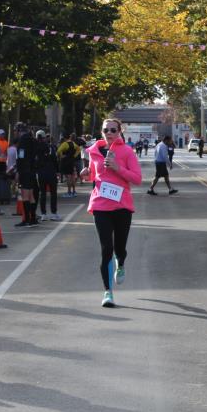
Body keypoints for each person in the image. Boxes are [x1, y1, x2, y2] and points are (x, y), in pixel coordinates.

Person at [80, 119, 141, 307]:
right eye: (106, 130)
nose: (109, 133)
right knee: (106, 248)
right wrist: (86, 174)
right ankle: (108, 292)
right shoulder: (94, 152)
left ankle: (120, 262)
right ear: (101, 131)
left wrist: (117, 167)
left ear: (119, 131)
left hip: (122, 206)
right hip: (100, 205)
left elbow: (137, 179)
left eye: (113, 130)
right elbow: (94, 175)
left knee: (119, 248)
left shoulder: (127, 151)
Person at [13, 123, 38, 227]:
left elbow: (21, 157)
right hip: (32, 170)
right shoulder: (32, 139)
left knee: (25, 195)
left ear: (19, 130)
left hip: (25, 170)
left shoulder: (22, 141)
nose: (15, 133)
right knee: (31, 195)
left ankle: (27, 219)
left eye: (15, 131)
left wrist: (18, 171)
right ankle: (33, 218)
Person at [35, 130, 60, 221]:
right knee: (53, 193)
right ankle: (53, 213)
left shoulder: (35, 147)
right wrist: (58, 171)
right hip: (51, 172)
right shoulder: (50, 147)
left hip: (40, 172)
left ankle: (43, 214)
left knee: (42, 193)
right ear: (44, 137)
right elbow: (55, 159)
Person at [57, 133, 79, 197]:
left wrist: (62, 156)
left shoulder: (65, 144)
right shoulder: (73, 144)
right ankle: (74, 192)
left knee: (68, 177)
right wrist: (74, 156)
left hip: (66, 161)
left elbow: (58, 151)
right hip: (72, 161)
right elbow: (78, 149)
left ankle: (69, 192)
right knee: (72, 176)